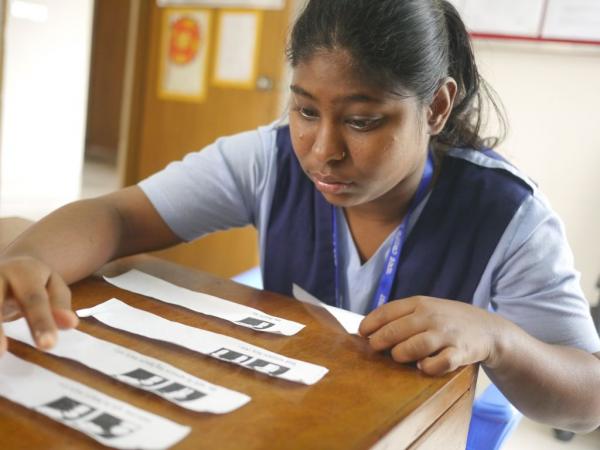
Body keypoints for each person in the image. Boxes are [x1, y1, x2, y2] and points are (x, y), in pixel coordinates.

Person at [1, 0, 599, 433]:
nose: (323, 150)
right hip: (297, 419)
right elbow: (118, 216)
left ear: (437, 106)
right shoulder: (268, 159)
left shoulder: (509, 216)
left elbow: (587, 399)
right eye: (305, 111)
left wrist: (501, 340)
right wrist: (28, 259)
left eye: (363, 121)